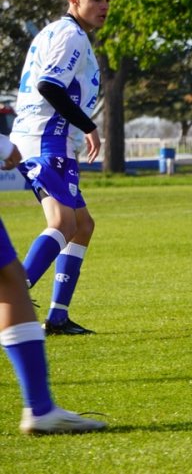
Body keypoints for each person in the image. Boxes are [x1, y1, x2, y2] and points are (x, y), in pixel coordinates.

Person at [10, 0, 111, 335]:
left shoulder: (58, 32)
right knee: (63, 223)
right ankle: (10, 296)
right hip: (45, 138)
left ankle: (57, 317)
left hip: (49, 138)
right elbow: (49, 86)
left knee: (82, 225)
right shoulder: (71, 35)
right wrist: (88, 125)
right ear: (74, 0)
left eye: (107, 0)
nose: (103, 6)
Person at [0, 133, 106, 433]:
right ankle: (41, 409)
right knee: (12, 283)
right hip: (45, 148)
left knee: (12, 281)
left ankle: (41, 408)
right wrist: (3, 145)